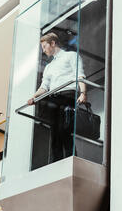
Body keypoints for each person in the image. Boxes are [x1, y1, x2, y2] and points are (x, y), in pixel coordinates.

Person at [27, 32, 87, 162]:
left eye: (44, 46)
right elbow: (44, 87)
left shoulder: (71, 56)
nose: (43, 50)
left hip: (67, 95)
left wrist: (83, 93)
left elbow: (80, 75)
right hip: (53, 99)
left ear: (53, 43)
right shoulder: (49, 67)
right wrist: (33, 97)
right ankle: (56, 163)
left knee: (65, 129)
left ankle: (70, 160)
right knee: (55, 133)